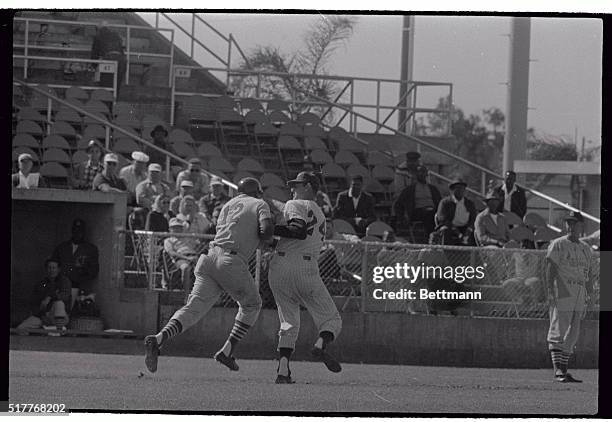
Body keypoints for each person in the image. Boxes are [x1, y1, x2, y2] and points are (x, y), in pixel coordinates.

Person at [144, 177, 273, 373]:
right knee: (252, 304)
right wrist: (273, 239)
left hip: (210, 258)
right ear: (256, 191)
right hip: (231, 260)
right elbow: (266, 231)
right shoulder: (259, 203)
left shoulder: (227, 205)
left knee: (192, 308)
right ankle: (227, 351)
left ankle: (158, 338)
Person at [268, 171, 343, 384]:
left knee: (288, 321)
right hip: (307, 267)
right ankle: (320, 345)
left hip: (280, 267)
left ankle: (283, 369)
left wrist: (269, 230)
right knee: (331, 319)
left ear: (309, 186)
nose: (292, 189)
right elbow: (301, 236)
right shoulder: (320, 214)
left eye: (297, 184)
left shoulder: (296, 204)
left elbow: (297, 231)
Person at [546, 211, 597, 383]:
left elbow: (589, 274)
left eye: (574, 222)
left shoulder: (585, 248)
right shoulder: (558, 244)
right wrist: (549, 291)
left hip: (580, 290)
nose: (571, 225)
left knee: (574, 332)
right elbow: (550, 268)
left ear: (581, 225)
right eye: (569, 222)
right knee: (558, 330)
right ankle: (558, 371)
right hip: (563, 287)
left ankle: (564, 370)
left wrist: (591, 295)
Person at [51, 219, 99, 311]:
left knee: (75, 314)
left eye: (80, 231)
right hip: (62, 287)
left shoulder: (90, 249)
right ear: (72, 231)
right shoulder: (62, 247)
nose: (77, 234)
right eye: (75, 230)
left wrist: (82, 271)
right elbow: (53, 266)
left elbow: (94, 270)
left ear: (84, 232)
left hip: (80, 286)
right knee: (59, 312)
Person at [16, 258, 71, 331]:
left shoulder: (64, 281)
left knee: (59, 303)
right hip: (43, 316)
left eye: (54, 268)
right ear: (46, 269)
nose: (51, 270)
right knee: (20, 328)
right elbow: (34, 302)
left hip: (59, 316)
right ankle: (50, 329)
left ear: (58, 269)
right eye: (49, 268)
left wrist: (49, 297)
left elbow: (65, 296)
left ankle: (58, 330)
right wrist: (42, 315)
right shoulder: (41, 284)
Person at [393, 165, 441, 239]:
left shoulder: (433, 189)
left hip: (433, 211)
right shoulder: (410, 189)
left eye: (423, 172)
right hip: (417, 212)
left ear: (426, 174)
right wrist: (402, 216)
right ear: (416, 174)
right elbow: (398, 204)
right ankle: (431, 238)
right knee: (429, 215)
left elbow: (441, 202)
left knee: (440, 215)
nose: (421, 174)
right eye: (419, 172)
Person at [164, 218, 200, 295]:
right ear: (170, 229)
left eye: (179, 227)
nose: (177, 229)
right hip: (181, 258)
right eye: (175, 227)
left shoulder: (188, 237)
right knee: (186, 268)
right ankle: (186, 294)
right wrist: (187, 258)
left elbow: (199, 246)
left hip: (194, 257)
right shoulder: (168, 240)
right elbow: (171, 253)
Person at [436, 178, 477, 245]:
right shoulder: (445, 202)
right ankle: (446, 254)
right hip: (450, 227)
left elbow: (473, 219)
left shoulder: (469, 203)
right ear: (452, 190)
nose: (460, 190)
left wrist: (469, 231)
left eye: (462, 188)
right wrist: (458, 233)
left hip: (466, 228)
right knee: (445, 230)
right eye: (457, 188)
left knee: (476, 232)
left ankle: (473, 255)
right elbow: (442, 219)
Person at [90, 23, 126, 93]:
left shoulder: (98, 36)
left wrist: (94, 66)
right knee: (117, 84)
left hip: (109, 59)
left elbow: (95, 53)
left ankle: (106, 101)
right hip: (121, 60)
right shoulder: (116, 35)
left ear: (98, 29)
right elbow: (121, 50)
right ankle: (114, 101)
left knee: (106, 83)